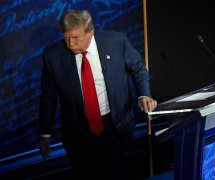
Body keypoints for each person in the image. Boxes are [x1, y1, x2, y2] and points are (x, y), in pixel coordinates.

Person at [38, 9, 157, 179]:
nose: (70, 44)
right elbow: (48, 97)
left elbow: (138, 69)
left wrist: (143, 95)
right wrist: (45, 133)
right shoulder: (53, 56)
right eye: (66, 38)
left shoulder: (116, 41)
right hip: (78, 132)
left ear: (90, 32)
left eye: (76, 38)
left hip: (113, 125)